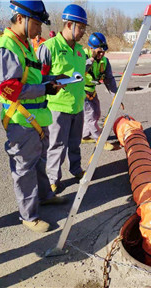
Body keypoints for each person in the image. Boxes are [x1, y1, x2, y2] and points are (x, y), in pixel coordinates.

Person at [0, 0, 68, 233]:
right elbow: (9, 89)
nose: (40, 30)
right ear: (21, 18)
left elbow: (30, 79)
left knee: (39, 163)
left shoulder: (23, 45)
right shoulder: (5, 47)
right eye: (37, 23)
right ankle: (28, 215)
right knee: (24, 169)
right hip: (21, 122)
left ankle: (44, 196)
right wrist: (46, 89)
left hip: (36, 120)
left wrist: (53, 78)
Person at [36, 4, 88, 194]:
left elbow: (82, 73)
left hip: (77, 106)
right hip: (57, 108)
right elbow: (38, 78)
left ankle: (76, 169)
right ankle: (53, 179)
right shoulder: (49, 48)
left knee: (75, 142)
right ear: (69, 25)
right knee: (57, 146)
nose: (83, 32)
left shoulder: (81, 51)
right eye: (80, 27)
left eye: (83, 28)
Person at [81, 32, 122, 150]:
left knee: (97, 113)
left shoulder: (105, 61)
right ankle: (100, 141)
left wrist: (116, 98)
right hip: (82, 91)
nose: (101, 54)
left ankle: (84, 136)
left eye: (103, 51)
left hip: (92, 91)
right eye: (99, 51)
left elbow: (110, 81)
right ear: (91, 48)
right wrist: (92, 59)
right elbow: (80, 70)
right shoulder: (82, 57)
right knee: (91, 117)